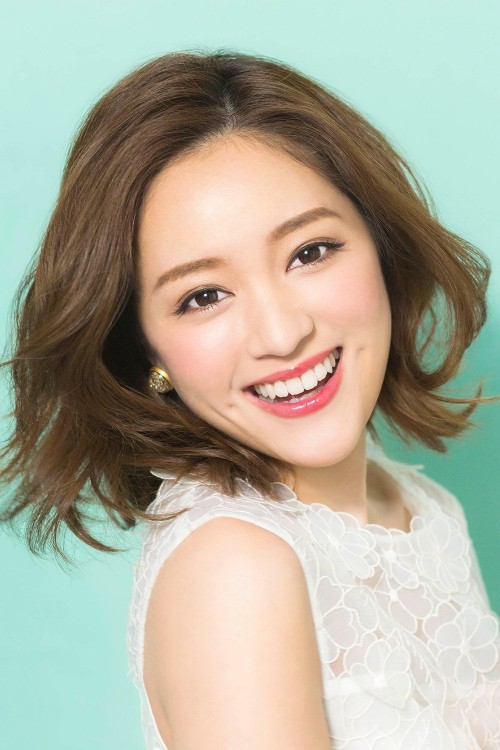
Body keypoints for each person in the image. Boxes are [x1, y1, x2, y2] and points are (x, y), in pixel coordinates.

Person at [1, 49, 499, 749]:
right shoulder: (234, 567)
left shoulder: (417, 508)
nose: (282, 333)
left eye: (309, 252)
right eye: (204, 296)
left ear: (382, 245)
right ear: (147, 351)